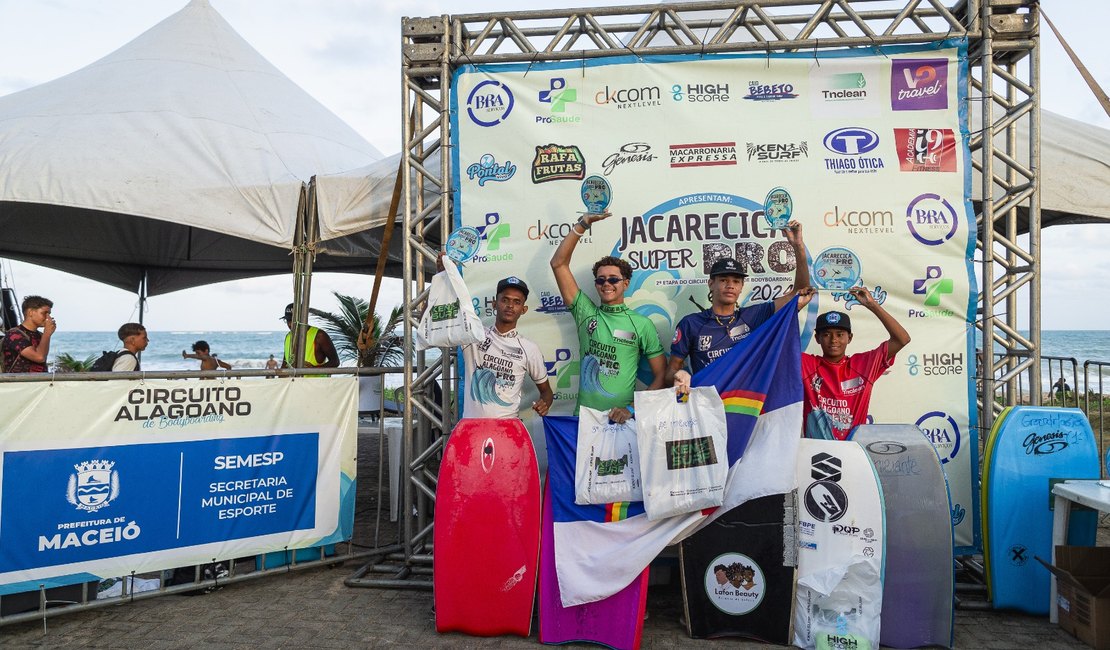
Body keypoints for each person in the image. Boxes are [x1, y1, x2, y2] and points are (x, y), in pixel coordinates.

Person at [669, 220, 810, 395]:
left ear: (742, 286)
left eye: (736, 281)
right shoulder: (691, 323)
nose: (730, 285)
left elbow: (800, 293)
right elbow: (672, 369)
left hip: (744, 405)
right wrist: (680, 375)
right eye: (724, 280)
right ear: (711, 284)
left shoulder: (754, 316)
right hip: (707, 406)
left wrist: (798, 246)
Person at [550, 211, 665, 423]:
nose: (606, 284)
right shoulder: (586, 312)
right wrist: (583, 224)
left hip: (622, 421)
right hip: (585, 420)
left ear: (626, 283)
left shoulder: (642, 324)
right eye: (600, 280)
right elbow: (558, 264)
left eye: (613, 279)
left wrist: (631, 409)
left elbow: (661, 376)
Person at [800, 286, 911, 440]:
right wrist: (796, 306)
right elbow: (776, 344)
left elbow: (902, 339)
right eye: (826, 334)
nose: (834, 340)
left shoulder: (864, 365)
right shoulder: (807, 364)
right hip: (816, 454)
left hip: (853, 452)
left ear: (850, 338)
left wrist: (872, 304)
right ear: (817, 338)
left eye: (840, 334)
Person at [459, 272, 554, 419]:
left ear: (523, 309)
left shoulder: (529, 348)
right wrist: (442, 277)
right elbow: (432, 322)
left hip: (507, 429)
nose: (510, 306)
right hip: (472, 428)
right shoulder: (474, 336)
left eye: (517, 302)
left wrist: (545, 403)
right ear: (494, 304)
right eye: (505, 300)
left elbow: (546, 392)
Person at [1, 295, 55, 373]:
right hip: (19, 383)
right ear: (30, 312)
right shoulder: (14, 334)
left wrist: (46, 334)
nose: (48, 318)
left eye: (49, 314)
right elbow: (39, 357)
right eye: (44, 313)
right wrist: (47, 333)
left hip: (39, 383)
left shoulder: (40, 335)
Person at [281, 303, 340, 370]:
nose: (290, 324)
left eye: (293, 321)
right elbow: (285, 364)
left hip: (315, 380)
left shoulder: (319, 335)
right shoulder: (288, 337)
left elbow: (335, 362)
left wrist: (313, 369)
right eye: (288, 320)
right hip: (294, 380)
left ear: (303, 318)